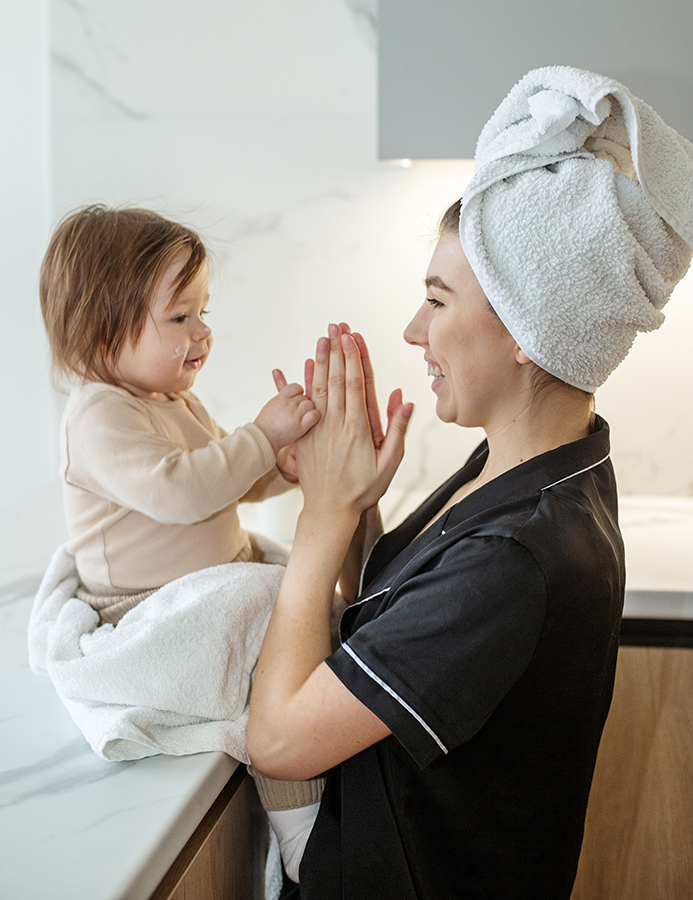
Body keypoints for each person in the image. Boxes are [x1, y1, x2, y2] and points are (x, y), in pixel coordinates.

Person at [247, 66, 693, 898]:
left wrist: (322, 517)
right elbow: (411, 630)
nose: (414, 330)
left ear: (528, 329)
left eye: (438, 300)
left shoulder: (518, 554)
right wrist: (360, 515)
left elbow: (277, 740)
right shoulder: (533, 470)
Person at [39, 204, 324, 883]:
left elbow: (222, 479)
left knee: (302, 612)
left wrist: (278, 470)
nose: (202, 334)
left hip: (201, 587)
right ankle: (302, 833)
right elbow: (183, 491)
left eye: (204, 313)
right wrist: (263, 435)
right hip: (142, 611)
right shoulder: (99, 414)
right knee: (274, 661)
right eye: (179, 317)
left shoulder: (173, 400)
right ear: (100, 331)